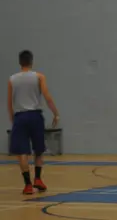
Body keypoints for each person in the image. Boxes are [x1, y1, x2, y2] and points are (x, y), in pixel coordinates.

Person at [7, 50, 60, 195]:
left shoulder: (12, 79)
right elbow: (47, 96)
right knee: (38, 149)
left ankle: (28, 185)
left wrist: (13, 119)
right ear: (31, 62)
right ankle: (38, 178)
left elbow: (10, 103)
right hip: (35, 116)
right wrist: (55, 113)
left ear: (20, 62)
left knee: (22, 152)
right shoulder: (39, 77)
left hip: (20, 117)